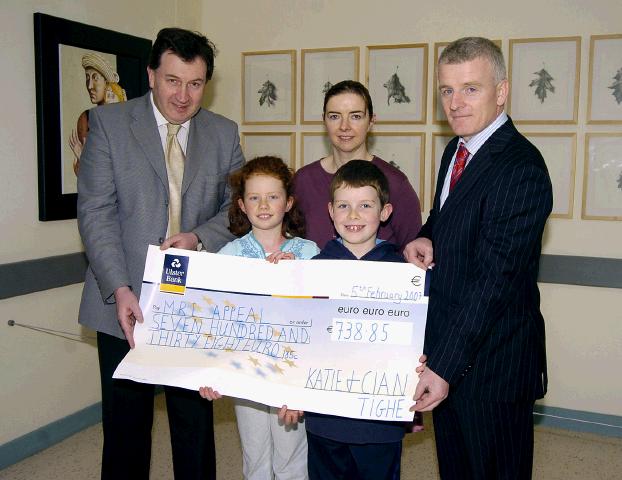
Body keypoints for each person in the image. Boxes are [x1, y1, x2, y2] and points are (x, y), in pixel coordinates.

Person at [77, 28, 244, 480]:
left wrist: (198, 238)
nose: (184, 96)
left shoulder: (223, 133)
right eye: (172, 81)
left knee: (194, 426)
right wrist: (120, 288)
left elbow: (238, 209)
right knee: (126, 427)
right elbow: (95, 212)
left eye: (195, 83)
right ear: (151, 75)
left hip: (192, 304)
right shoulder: (109, 124)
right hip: (121, 300)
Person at [404, 37, 553, 479]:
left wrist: (443, 366)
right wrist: (425, 236)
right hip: (451, 347)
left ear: (501, 91)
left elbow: (495, 282)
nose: (455, 102)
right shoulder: (457, 151)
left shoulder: (521, 168)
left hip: (494, 367)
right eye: (447, 90)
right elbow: (448, 218)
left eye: (470, 88)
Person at [199, 156, 318, 480]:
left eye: (273, 196)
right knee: (255, 457)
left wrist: (300, 274)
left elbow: (320, 320)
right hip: (246, 373)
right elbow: (214, 322)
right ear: (241, 204)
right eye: (254, 197)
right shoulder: (228, 257)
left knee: (291, 458)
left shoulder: (308, 253)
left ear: (288, 202)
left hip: (291, 374)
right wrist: (212, 372)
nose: (263, 205)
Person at [306, 159, 406, 480]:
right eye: (344, 206)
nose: (353, 215)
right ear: (331, 211)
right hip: (324, 416)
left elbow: (418, 336)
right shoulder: (312, 270)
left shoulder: (406, 274)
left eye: (365, 205)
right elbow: (299, 337)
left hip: (380, 422)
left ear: (385, 212)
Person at [293, 80, 422, 251]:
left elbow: (414, 255)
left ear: (371, 121)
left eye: (355, 116)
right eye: (334, 116)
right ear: (323, 120)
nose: (344, 126)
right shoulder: (303, 181)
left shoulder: (395, 184)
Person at [69, 52, 127, 174]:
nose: (90, 86)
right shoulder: (86, 118)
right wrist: (82, 158)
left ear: (107, 84)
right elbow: (82, 174)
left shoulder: (126, 122)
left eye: (95, 78)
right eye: (87, 78)